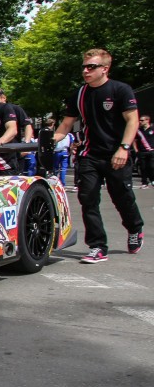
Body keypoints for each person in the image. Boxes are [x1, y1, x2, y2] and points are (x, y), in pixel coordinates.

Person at [53, 48, 143, 262]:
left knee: (122, 197)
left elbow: (133, 120)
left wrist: (124, 148)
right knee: (88, 198)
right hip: (89, 155)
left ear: (105, 68)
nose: (86, 71)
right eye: (84, 67)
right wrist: (48, 140)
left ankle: (134, 228)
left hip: (116, 154)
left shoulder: (121, 90)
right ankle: (97, 246)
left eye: (91, 67)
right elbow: (66, 124)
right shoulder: (80, 93)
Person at [133, 113, 153, 189]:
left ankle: (152, 179)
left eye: (142, 120)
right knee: (143, 168)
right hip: (142, 152)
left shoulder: (152, 129)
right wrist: (136, 150)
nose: (140, 121)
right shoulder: (138, 131)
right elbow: (134, 141)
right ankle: (144, 182)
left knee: (151, 166)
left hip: (151, 151)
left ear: (147, 120)